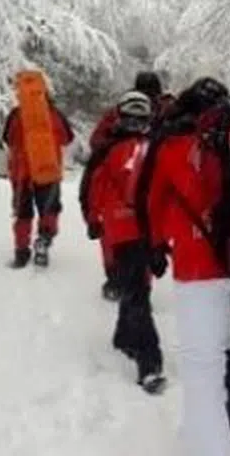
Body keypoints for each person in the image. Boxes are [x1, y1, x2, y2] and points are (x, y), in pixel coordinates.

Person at [134, 76, 230, 456]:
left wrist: (156, 247)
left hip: (198, 269)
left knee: (202, 369)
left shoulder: (173, 146)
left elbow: (151, 202)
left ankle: (211, 446)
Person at [80, 90, 166, 392]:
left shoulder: (108, 149)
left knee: (134, 288)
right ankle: (145, 359)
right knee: (138, 291)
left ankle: (128, 342)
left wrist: (93, 219)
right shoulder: (155, 149)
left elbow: (91, 187)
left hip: (121, 230)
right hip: (143, 230)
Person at [86, 71, 174, 296]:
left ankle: (116, 279)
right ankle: (142, 283)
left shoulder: (119, 111)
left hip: (118, 180)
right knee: (147, 232)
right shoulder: (167, 110)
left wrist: (113, 144)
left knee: (112, 229)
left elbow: (96, 142)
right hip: (152, 180)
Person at [3, 83, 74, 268]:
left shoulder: (16, 114)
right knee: (49, 209)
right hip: (48, 170)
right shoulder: (55, 114)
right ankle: (44, 239)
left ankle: (21, 251)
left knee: (23, 212)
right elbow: (67, 138)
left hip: (22, 173)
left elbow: (8, 139)